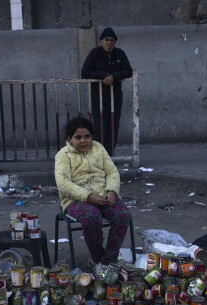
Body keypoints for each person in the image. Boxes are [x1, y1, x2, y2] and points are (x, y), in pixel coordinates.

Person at [54, 117, 132, 273]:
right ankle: (98, 259)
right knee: (91, 216)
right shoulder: (63, 155)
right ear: (69, 138)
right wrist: (88, 196)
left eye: (87, 136)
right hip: (76, 201)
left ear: (91, 136)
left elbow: (112, 172)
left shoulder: (99, 148)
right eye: (78, 137)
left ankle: (108, 262)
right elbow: (63, 184)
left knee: (123, 215)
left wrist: (112, 191)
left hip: (103, 196)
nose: (83, 141)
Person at [81, 27, 132, 156]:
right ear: (101, 41)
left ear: (115, 42)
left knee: (113, 126)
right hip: (98, 97)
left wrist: (113, 77)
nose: (109, 43)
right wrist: (103, 75)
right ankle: (98, 155)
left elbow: (128, 70)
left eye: (112, 40)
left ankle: (110, 154)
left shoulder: (119, 53)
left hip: (115, 97)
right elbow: (85, 72)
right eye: (106, 40)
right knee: (99, 127)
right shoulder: (94, 53)